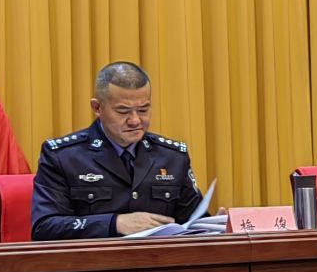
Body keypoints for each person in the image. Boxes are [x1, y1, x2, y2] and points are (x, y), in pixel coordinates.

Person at [32, 62, 204, 239]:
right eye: (123, 111)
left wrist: (215, 224)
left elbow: (194, 223)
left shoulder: (172, 156)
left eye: (143, 110)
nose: (135, 121)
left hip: (160, 255)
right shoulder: (63, 156)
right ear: (97, 108)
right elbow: (45, 228)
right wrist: (114, 223)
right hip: (95, 256)